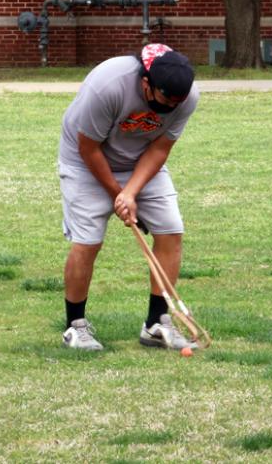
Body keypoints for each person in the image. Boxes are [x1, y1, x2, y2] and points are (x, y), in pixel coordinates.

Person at [58, 43, 199, 351]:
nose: (172, 107)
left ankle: (156, 324)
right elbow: (88, 148)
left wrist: (131, 191)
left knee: (171, 230)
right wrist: (119, 196)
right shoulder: (107, 85)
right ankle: (75, 327)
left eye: (178, 102)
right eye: (165, 100)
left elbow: (160, 148)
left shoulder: (186, 98)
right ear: (146, 84)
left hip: (140, 163)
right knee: (88, 241)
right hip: (85, 163)